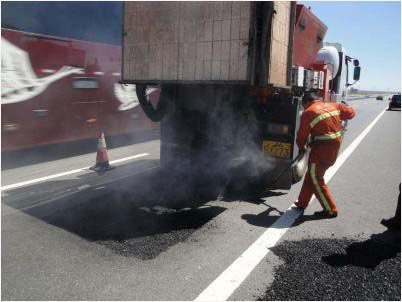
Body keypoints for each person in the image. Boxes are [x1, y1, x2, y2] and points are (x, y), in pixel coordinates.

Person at [294, 90, 356, 217]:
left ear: (306, 102)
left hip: (322, 151)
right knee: (311, 175)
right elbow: (351, 113)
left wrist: (301, 148)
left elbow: (301, 136)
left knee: (316, 179)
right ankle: (302, 203)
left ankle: (330, 210)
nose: (303, 107)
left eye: (303, 105)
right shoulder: (333, 105)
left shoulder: (308, 112)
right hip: (332, 149)